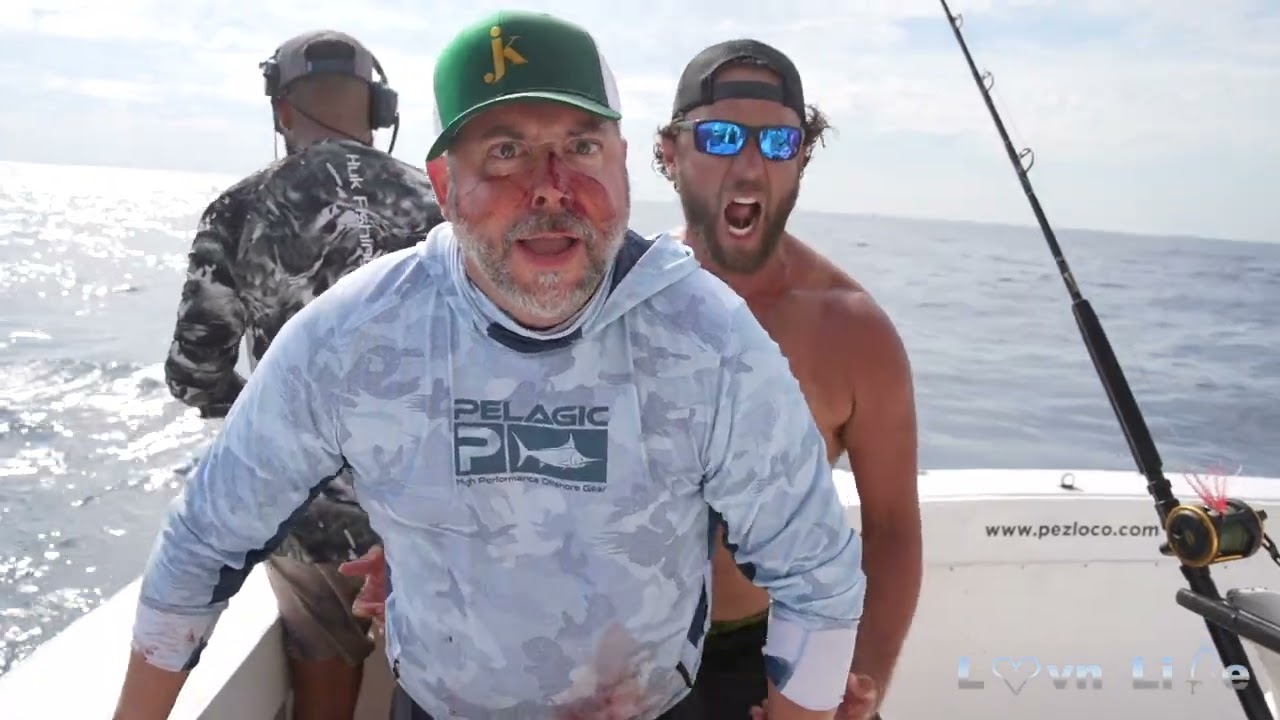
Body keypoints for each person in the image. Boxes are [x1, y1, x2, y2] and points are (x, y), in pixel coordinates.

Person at [116, 10, 866, 720]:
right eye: (505, 151)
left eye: (581, 147)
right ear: (443, 187)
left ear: (625, 164)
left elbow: (818, 576)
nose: (550, 188)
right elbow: (204, 539)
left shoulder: (708, 340)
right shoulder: (354, 336)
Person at [159, 29, 445, 720]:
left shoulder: (238, 209)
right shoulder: (444, 208)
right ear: (380, 109)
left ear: (281, 111)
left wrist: (270, 413)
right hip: (437, 511)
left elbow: (195, 370)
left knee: (322, 681)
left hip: (310, 522)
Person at [652, 40, 923, 720]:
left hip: (771, 656)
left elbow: (891, 528)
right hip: (621, 649)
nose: (748, 165)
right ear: (669, 153)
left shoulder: (855, 332)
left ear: (801, 158)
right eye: (718, 136)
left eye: (777, 141)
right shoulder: (612, 304)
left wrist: (856, 681)